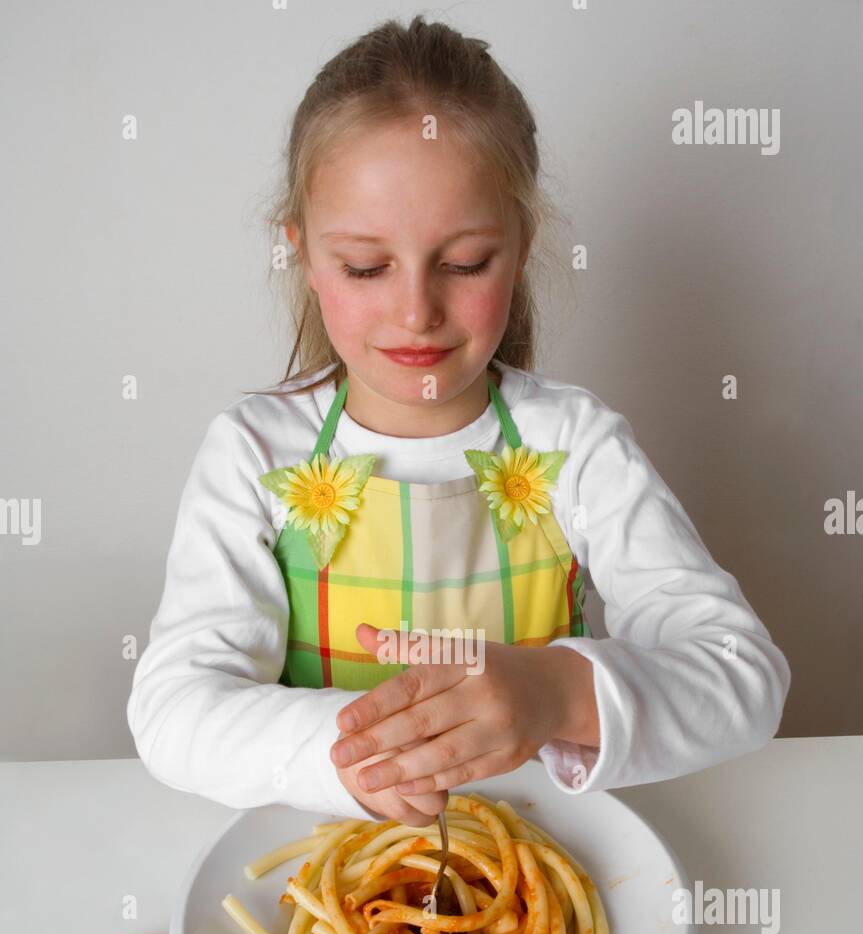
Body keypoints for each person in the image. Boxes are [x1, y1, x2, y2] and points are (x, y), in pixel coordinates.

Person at [127, 15, 790, 830]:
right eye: (366, 267)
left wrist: (551, 692)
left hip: (541, 851)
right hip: (323, 861)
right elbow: (171, 711)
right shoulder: (253, 452)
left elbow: (744, 680)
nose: (415, 312)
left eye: (464, 262)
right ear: (302, 252)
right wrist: (373, 757)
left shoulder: (574, 446)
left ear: (518, 245)